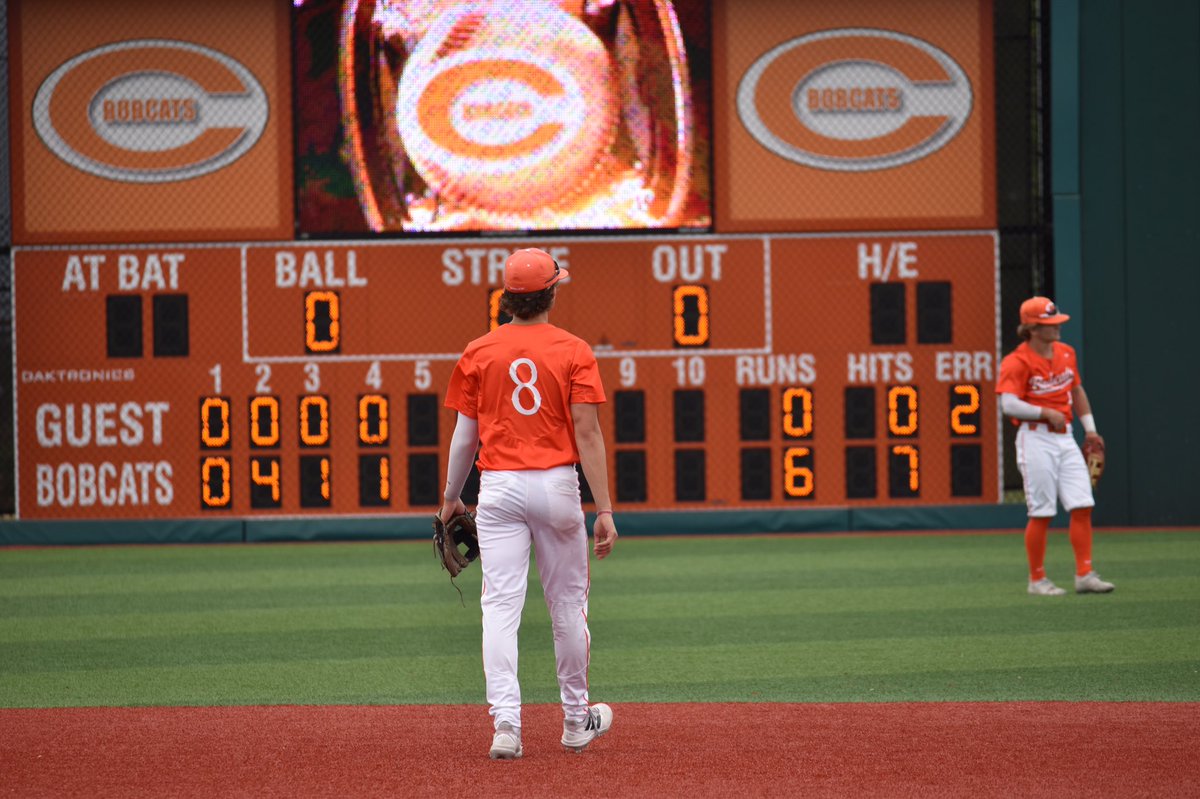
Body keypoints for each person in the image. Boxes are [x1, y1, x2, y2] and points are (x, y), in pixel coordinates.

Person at [438, 247, 619, 760]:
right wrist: (604, 508)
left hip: (497, 489)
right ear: (551, 294)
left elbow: (463, 437)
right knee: (566, 606)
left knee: (499, 607)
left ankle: (506, 728)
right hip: (557, 485)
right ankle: (576, 719)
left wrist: (452, 498)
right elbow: (587, 432)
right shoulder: (574, 349)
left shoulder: (479, 350)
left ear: (508, 298)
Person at [996, 296, 1114, 596]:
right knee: (1042, 511)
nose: (1057, 328)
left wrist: (1091, 430)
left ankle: (1084, 574)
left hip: (1065, 437)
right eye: (1050, 324)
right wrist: (1044, 412)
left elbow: (1076, 390)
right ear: (1033, 329)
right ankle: (1036, 580)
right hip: (1035, 437)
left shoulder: (1065, 353)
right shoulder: (1016, 361)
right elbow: (1008, 404)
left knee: (1083, 503)